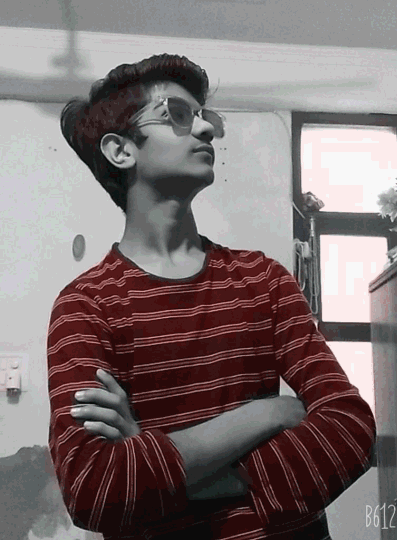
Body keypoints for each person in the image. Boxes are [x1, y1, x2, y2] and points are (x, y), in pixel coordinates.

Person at [47, 53, 376, 540]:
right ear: (120, 150)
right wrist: (267, 413)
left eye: (205, 117)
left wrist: (153, 455)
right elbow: (93, 490)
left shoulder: (262, 278)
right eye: (178, 115)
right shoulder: (86, 304)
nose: (206, 130)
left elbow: (351, 428)